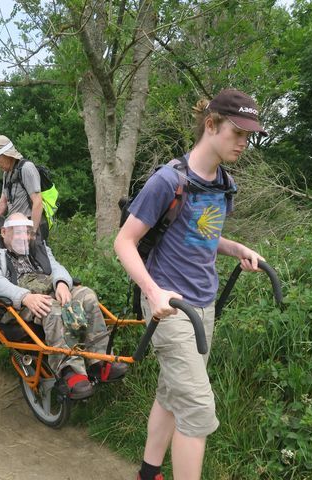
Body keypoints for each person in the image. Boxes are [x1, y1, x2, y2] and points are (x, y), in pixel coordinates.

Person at [114, 89, 267, 480]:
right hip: (170, 306)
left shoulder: (223, 183)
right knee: (197, 409)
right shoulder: (168, 180)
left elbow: (203, 234)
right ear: (211, 125)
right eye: (238, 133)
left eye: (249, 135)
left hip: (205, 305)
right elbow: (125, 241)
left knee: (173, 393)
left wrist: (236, 249)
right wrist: (153, 291)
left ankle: (148, 473)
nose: (244, 143)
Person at [0, 213, 128, 399]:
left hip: (48, 288)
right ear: (4, 232)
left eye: (27, 232)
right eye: (17, 233)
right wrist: (24, 297)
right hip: (18, 303)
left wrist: (62, 284)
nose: (24, 237)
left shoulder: (38, 246)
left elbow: (56, 267)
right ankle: (69, 371)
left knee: (88, 296)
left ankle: (99, 361)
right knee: (53, 309)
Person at [0, 135, 49, 240]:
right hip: (16, 227)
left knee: (36, 256)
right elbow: (2, 203)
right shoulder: (7, 173)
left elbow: (38, 202)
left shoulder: (27, 168)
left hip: (31, 226)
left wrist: (32, 232)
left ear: (7, 154)